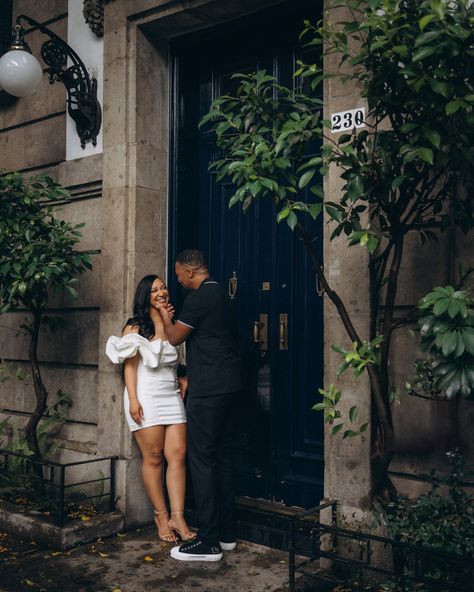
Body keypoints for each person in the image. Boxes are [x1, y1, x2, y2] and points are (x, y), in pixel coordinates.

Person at [157, 249, 243, 562]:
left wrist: (167, 315)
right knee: (221, 457)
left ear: (190, 272)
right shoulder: (221, 294)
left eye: (179, 274)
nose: (177, 280)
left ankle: (208, 542)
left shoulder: (198, 299)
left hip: (208, 390)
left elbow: (174, 338)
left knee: (202, 460)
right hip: (231, 386)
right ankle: (227, 533)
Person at [105, 275, 194, 543]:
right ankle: (161, 515)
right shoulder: (135, 326)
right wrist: (133, 399)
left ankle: (178, 516)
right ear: (146, 295)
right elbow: (129, 367)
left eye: (163, 287)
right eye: (154, 290)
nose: (161, 292)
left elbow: (175, 355)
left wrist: (183, 376)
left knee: (177, 454)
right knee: (154, 456)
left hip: (171, 394)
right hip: (145, 394)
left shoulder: (172, 322)